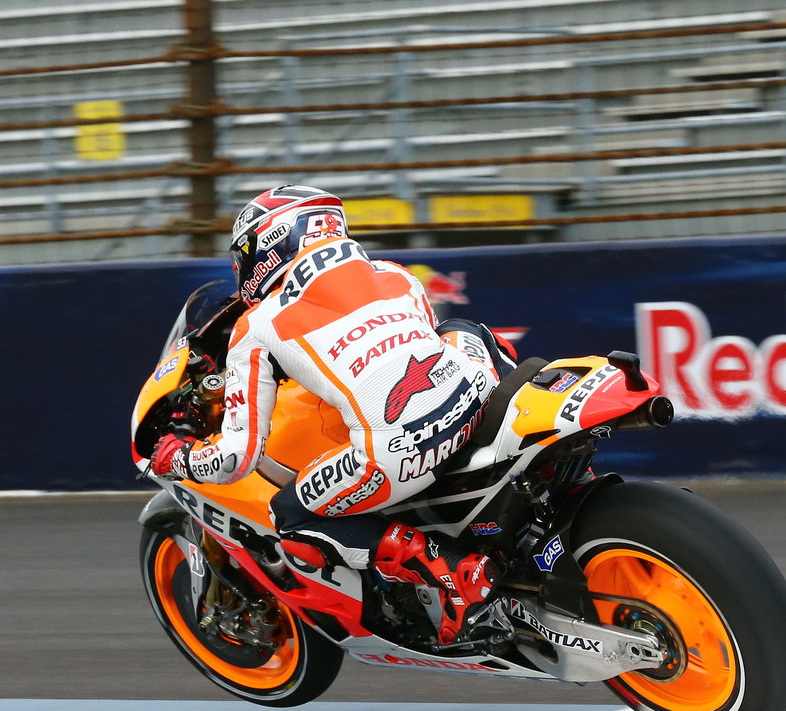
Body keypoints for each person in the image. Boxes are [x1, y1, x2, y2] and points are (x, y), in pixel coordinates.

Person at [148, 185, 517, 645]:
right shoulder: (396, 275)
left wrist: (179, 459)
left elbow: (238, 458)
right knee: (462, 330)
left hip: (400, 452)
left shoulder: (257, 325)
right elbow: (412, 346)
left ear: (268, 244)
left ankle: (446, 568)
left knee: (291, 518)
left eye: (243, 254)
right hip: (477, 401)